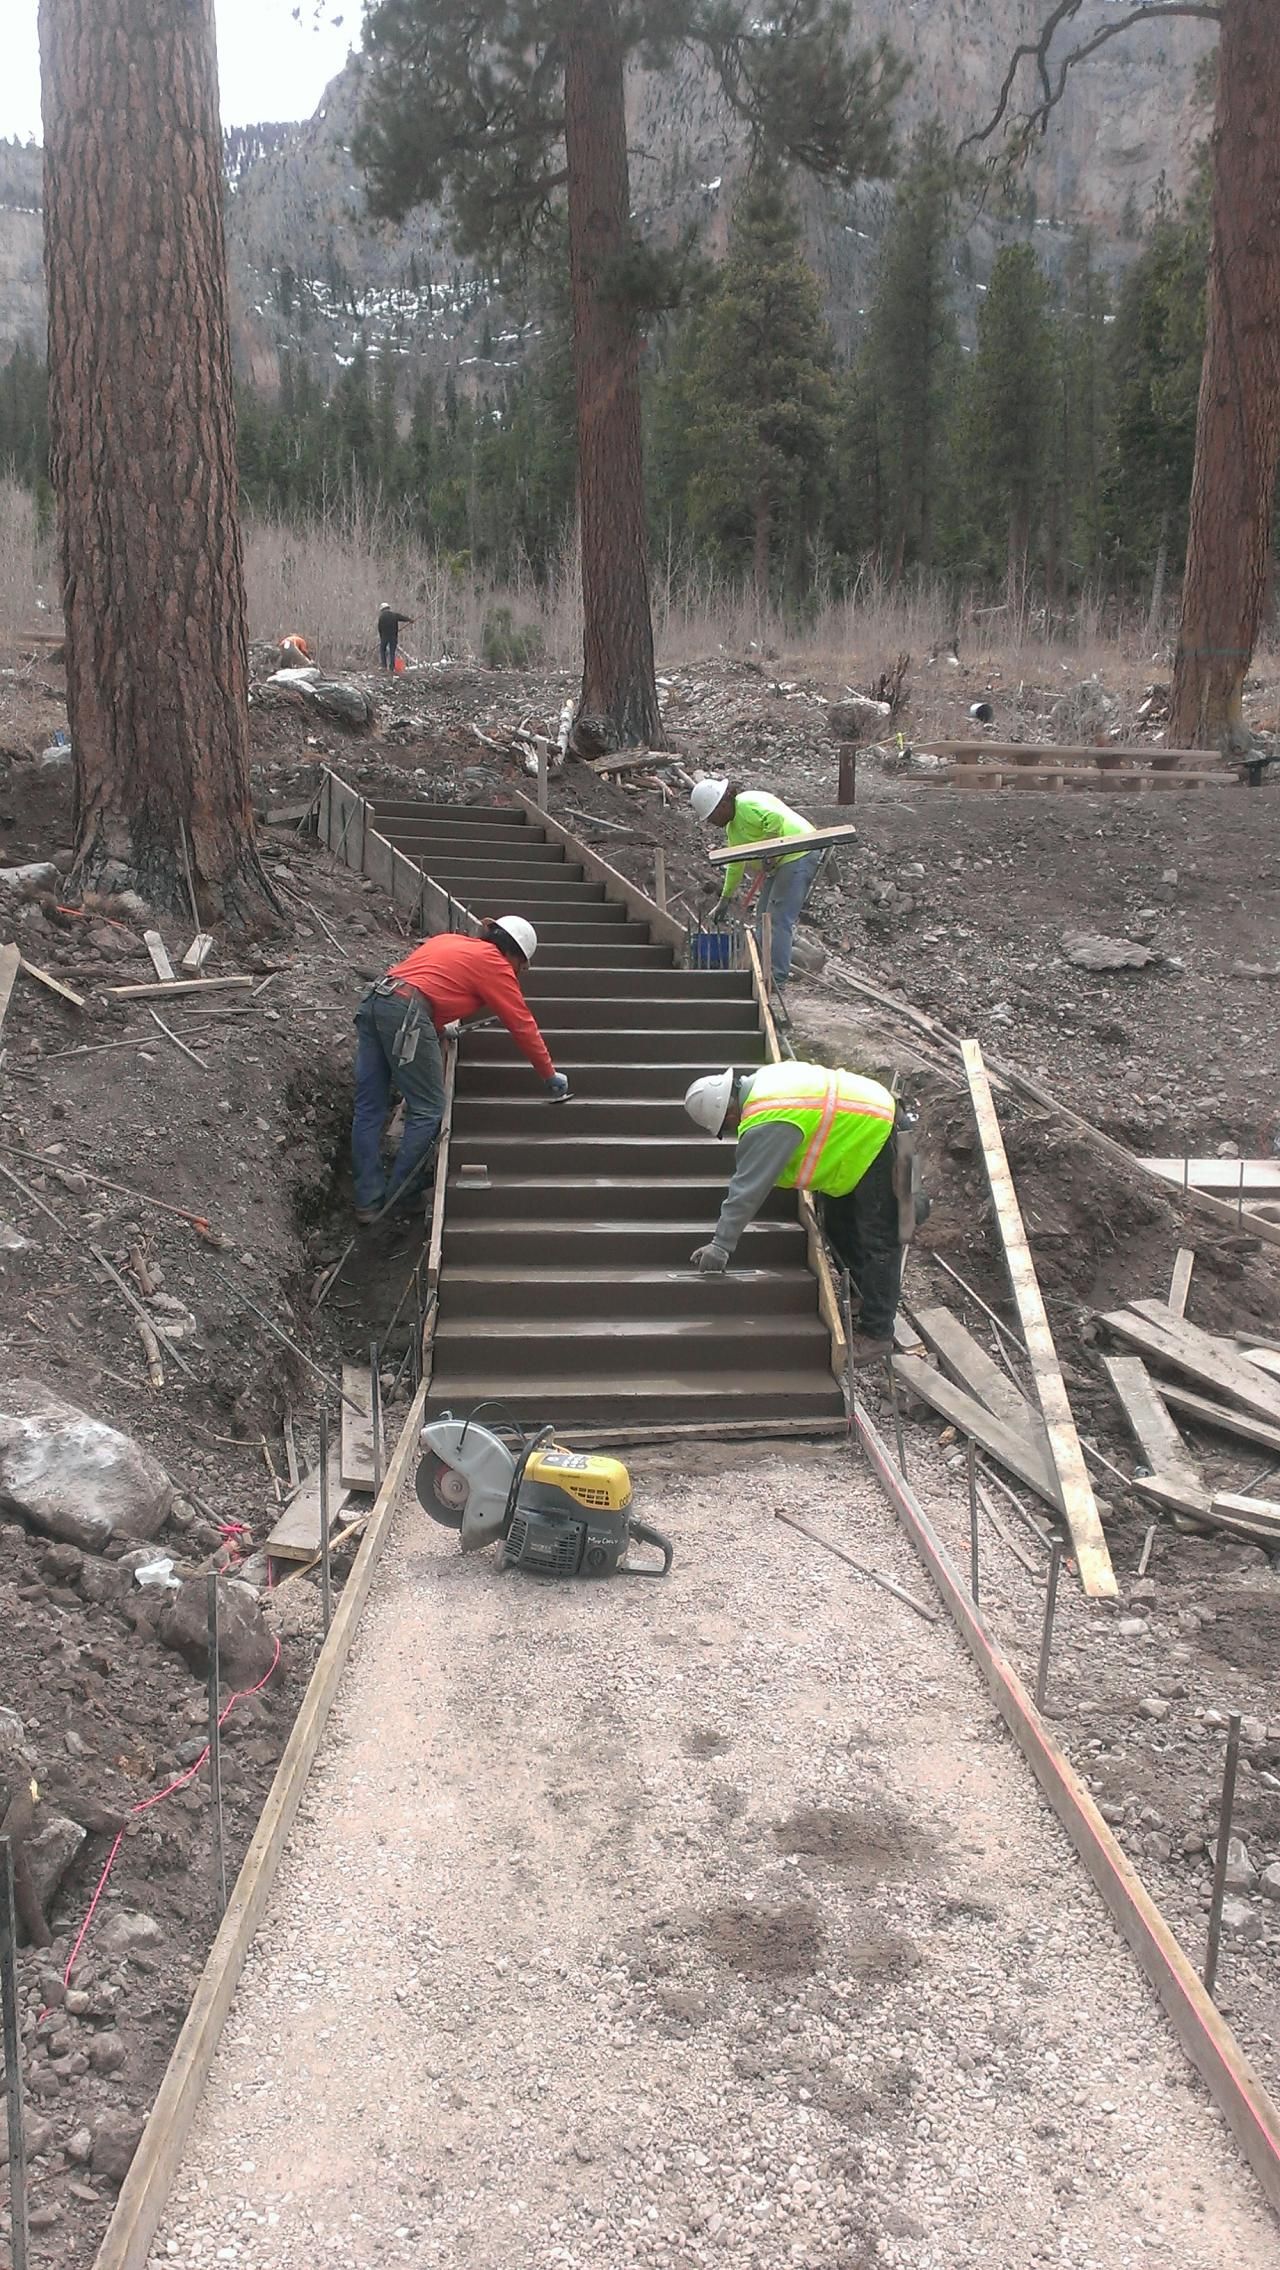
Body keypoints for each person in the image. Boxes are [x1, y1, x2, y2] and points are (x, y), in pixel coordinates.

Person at [683, 1060, 912, 1361]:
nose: (734, 1132)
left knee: (880, 1240)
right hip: (862, 1135)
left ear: (728, 1113)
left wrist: (721, 1246)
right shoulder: (764, 1082)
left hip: (882, 1135)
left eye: (726, 1128)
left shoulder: (767, 1118)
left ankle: (877, 1334)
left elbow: (746, 1189)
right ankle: (862, 1294)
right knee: (838, 1225)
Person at [351, 916, 569, 1223]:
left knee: (368, 1108)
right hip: (406, 1014)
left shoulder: (450, 941)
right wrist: (549, 1074)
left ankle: (368, 1202)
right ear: (515, 955)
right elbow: (521, 1024)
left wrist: (437, 1028)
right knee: (428, 1109)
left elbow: (429, 982)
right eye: (521, 966)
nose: (518, 973)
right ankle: (401, 1198)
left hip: (376, 1000)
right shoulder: (495, 964)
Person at [689, 778, 823, 987]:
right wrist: (724, 900)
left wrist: (769, 849)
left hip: (800, 850)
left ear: (722, 805)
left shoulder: (747, 803)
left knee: (778, 919)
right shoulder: (733, 829)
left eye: (711, 817)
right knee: (763, 916)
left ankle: (776, 978)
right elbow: (735, 865)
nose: (711, 823)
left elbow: (774, 818)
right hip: (783, 859)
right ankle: (761, 969)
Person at [378, 603, 414, 671]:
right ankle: (392, 667)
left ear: (382, 610)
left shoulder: (381, 617)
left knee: (382, 650)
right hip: (393, 637)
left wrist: (381, 638)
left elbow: (379, 628)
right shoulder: (394, 615)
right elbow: (403, 618)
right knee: (392, 652)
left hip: (384, 637)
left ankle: (384, 666)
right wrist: (410, 620)